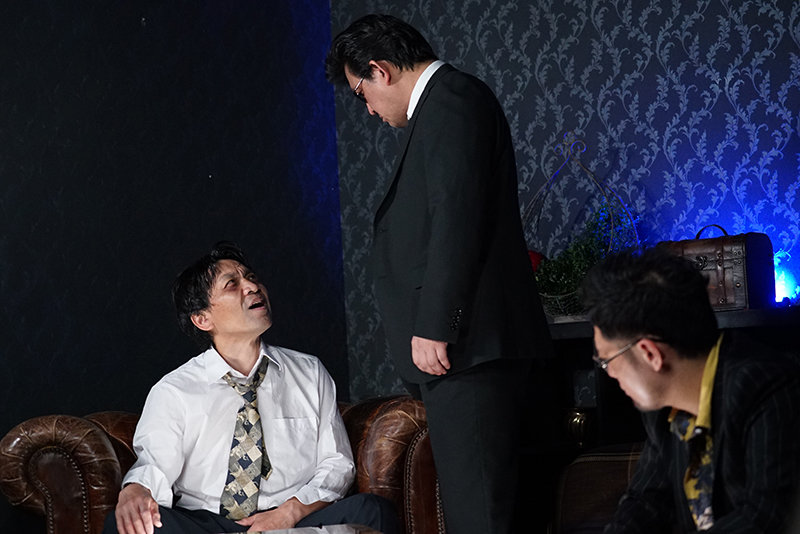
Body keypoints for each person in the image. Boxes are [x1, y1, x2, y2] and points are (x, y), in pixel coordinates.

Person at [326, 14, 554, 534]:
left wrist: (435, 325)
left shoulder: (452, 100)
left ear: (380, 70)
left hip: (468, 349)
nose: (369, 109)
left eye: (362, 93)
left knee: (480, 516)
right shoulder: (444, 105)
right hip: (466, 351)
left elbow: (457, 217)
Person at [103, 242, 399, 534]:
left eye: (252, 277)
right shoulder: (174, 390)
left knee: (372, 511)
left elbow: (337, 464)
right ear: (202, 319)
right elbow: (155, 463)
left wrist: (289, 513)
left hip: (292, 519)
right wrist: (137, 489)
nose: (253, 287)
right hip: (209, 524)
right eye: (232, 284)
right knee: (125, 526)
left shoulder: (309, 372)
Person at [581, 247, 800, 532]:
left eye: (607, 360)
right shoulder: (663, 406)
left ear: (650, 354)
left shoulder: (766, 386)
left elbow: (766, 517)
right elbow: (647, 500)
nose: (609, 373)